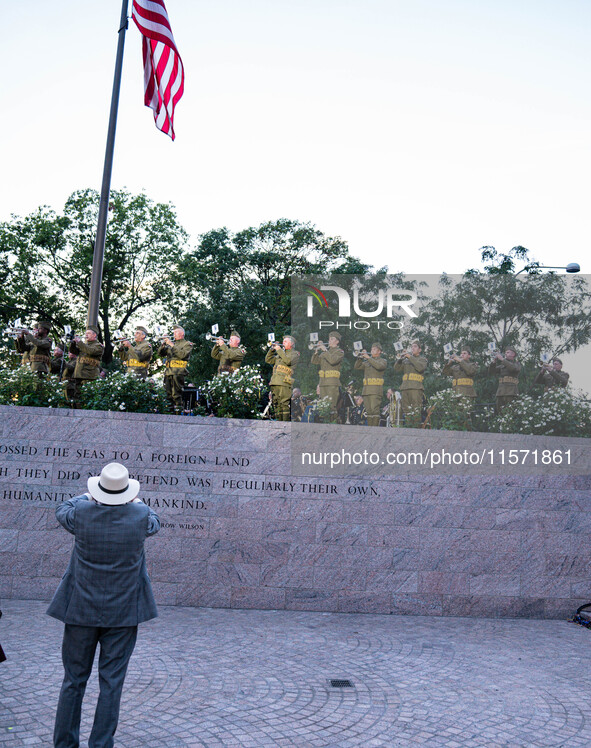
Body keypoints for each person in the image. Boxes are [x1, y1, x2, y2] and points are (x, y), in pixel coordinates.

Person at [47, 463, 160, 748]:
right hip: (123, 613)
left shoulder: (82, 513)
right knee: (111, 683)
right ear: (127, 492)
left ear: (99, 489)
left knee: (73, 681)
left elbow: (62, 509)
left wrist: (88, 495)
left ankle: (64, 744)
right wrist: (135, 500)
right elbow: (155, 522)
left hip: (80, 610)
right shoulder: (141, 515)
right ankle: (100, 745)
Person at [158, 325, 193, 413]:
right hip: (168, 372)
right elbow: (160, 354)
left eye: (176, 332)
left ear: (182, 334)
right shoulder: (171, 344)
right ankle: (169, 413)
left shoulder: (187, 344)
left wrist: (171, 345)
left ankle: (178, 414)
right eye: (173, 332)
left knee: (177, 394)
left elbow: (182, 355)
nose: (173, 334)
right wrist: (163, 344)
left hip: (178, 372)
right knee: (168, 395)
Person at [265, 335, 300, 421]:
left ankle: (285, 425)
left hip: (284, 382)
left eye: (285, 341)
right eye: (283, 341)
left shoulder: (294, 354)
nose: (283, 343)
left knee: (284, 404)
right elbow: (268, 360)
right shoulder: (280, 355)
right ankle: (278, 425)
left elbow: (288, 361)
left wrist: (279, 350)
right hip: (275, 382)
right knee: (276, 404)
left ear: (291, 344)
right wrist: (272, 350)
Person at [311, 332, 344, 422]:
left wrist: (325, 350)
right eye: (329, 339)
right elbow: (315, 361)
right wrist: (316, 351)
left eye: (332, 339)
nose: (329, 340)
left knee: (331, 407)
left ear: (337, 341)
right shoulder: (326, 352)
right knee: (323, 407)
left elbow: (333, 361)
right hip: (323, 382)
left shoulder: (339, 352)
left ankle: (332, 426)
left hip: (332, 383)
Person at [394, 340, 427, 427]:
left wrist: (410, 357)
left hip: (416, 388)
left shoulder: (422, 359)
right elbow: (396, 368)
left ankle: (416, 430)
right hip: (405, 388)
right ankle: (408, 429)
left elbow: (420, 368)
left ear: (420, 350)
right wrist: (400, 359)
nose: (412, 348)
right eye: (412, 346)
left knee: (416, 410)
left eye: (415, 346)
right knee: (406, 411)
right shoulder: (406, 360)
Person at [70, 326, 104, 406]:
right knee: (77, 398)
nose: (86, 335)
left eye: (88, 333)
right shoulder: (83, 345)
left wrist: (79, 342)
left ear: (94, 335)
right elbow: (73, 351)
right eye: (86, 333)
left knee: (86, 398)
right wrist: (73, 342)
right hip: (79, 374)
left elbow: (90, 351)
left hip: (89, 376)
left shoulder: (98, 346)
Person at [354, 342, 387, 426]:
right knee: (368, 411)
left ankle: (375, 430)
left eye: (374, 349)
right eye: (371, 349)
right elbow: (357, 367)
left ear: (379, 351)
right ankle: (370, 429)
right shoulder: (367, 362)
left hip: (375, 390)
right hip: (366, 390)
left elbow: (379, 367)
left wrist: (368, 357)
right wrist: (360, 358)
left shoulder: (382, 361)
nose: (372, 350)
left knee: (374, 411)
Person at [488, 346, 521, 413]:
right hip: (501, 392)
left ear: (513, 354)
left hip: (511, 392)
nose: (506, 354)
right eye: (505, 352)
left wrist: (502, 359)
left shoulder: (517, 364)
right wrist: (494, 362)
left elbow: (513, 368)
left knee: (511, 412)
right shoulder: (502, 366)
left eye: (508, 352)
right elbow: (491, 372)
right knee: (500, 412)